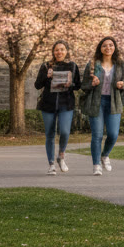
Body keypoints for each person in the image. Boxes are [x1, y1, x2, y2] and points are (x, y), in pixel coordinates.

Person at [82, 36, 124, 176]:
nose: (108, 48)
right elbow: (83, 85)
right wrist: (92, 83)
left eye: (110, 45)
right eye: (104, 46)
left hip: (114, 103)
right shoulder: (93, 64)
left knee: (113, 134)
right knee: (97, 135)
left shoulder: (120, 64)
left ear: (114, 47)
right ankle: (96, 165)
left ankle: (105, 155)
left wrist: (122, 85)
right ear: (100, 48)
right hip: (96, 102)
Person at [34, 40, 80, 175]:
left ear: (66, 51)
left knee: (65, 132)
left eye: (62, 49)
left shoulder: (72, 66)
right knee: (50, 134)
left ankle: (61, 156)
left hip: (66, 104)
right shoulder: (45, 65)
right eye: (56, 50)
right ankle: (51, 164)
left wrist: (70, 84)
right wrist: (46, 76)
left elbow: (78, 85)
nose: (59, 52)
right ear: (53, 52)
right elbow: (37, 85)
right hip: (48, 104)